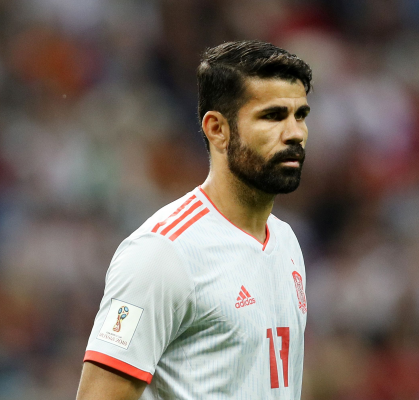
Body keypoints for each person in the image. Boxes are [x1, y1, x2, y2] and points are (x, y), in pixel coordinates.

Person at [76, 40, 312, 400]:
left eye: (301, 115)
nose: (295, 133)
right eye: (273, 116)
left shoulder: (286, 242)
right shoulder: (161, 252)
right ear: (217, 129)